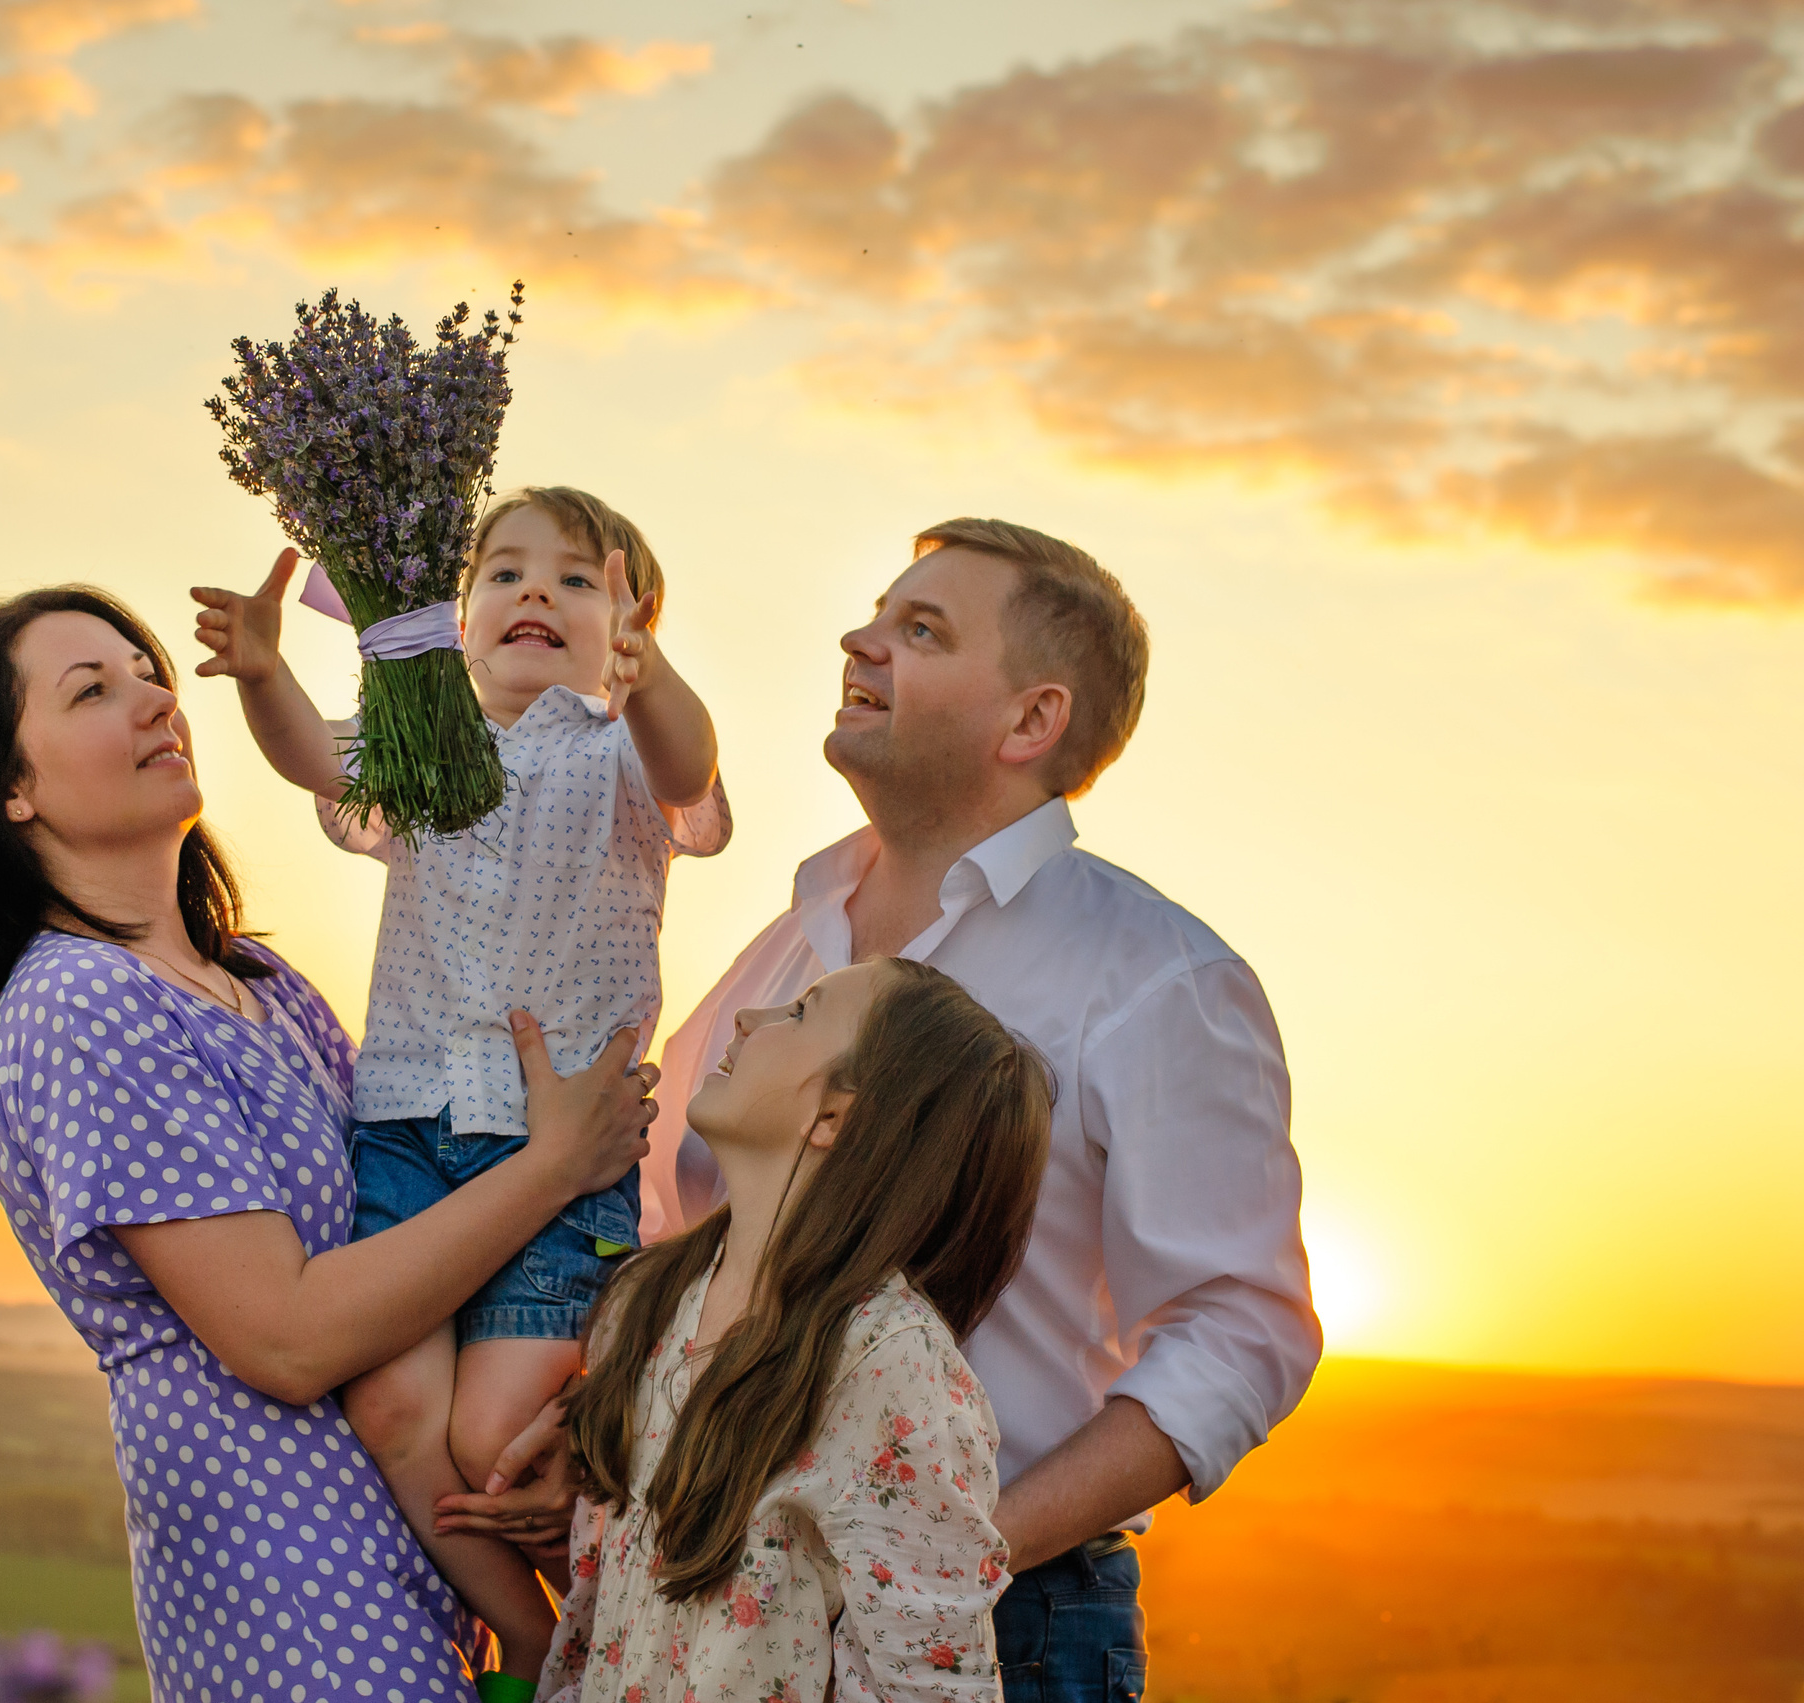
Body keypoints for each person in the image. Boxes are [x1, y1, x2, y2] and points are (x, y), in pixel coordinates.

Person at [447, 518, 1319, 1703]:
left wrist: (944, 1544)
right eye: (879, 611)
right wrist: (602, 1418)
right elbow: (668, 1208)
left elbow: (1240, 1334)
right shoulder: (788, 944)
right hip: (707, 1597)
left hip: (1005, 1621)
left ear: (1031, 721)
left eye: (921, 629)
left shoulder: (1159, 978)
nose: (859, 639)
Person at [0, 584, 662, 1703]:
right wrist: (555, 1165)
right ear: (9, 788)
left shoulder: (257, 981)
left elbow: (421, 1207)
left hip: (419, 1559)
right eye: (93, 690)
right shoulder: (78, 1005)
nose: (154, 699)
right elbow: (284, 1336)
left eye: (148, 671)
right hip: (291, 1586)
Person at [190, 487, 729, 1691]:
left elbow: (693, 765)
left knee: (492, 1434)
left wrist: (650, 677)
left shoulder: (623, 762)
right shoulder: (422, 755)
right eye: (507, 574)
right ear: (456, 616)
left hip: (552, 1160)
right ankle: (541, 1652)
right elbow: (308, 757)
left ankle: (622, 1623)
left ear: (625, 629)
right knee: (387, 1404)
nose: (538, 592)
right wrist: (264, 673)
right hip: (404, 1130)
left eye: (581, 582)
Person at [540, 956, 1054, 1703]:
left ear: (836, 1116)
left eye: (802, 1012)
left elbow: (932, 1690)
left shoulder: (889, 1365)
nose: (750, 1017)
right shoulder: (645, 1300)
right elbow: (594, 1624)